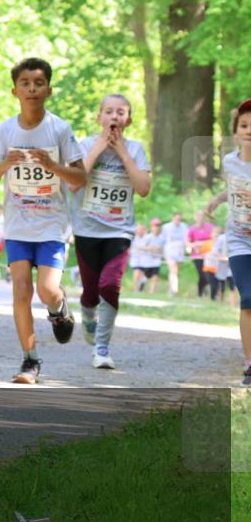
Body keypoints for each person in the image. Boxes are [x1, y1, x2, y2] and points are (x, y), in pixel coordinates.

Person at [0, 58, 86, 384]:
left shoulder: (59, 129)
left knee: (47, 289)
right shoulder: (5, 130)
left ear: (49, 90)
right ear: (14, 90)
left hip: (52, 225)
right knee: (21, 291)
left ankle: (59, 309)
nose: (32, 89)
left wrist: (52, 165)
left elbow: (80, 178)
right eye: (25, 83)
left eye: (38, 83)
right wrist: (4, 165)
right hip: (17, 225)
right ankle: (30, 360)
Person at [70, 94, 151, 369]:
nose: (114, 117)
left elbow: (143, 188)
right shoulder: (83, 145)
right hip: (87, 228)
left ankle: (102, 348)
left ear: (128, 120)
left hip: (119, 230)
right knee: (91, 291)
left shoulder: (136, 149)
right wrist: (99, 148)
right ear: (99, 117)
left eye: (121, 112)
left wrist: (123, 154)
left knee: (110, 286)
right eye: (109, 112)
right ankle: (87, 310)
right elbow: (73, 183)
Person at [205, 98, 251, 385]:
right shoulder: (231, 161)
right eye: (244, 126)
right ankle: (250, 363)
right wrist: (215, 200)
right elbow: (232, 187)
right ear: (236, 132)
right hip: (239, 239)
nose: (249, 131)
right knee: (247, 299)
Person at [187, 210, 215, 298]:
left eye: (202, 216)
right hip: (197, 256)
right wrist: (194, 245)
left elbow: (216, 238)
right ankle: (200, 294)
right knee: (201, 274)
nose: (200, 218)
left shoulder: (210, 227)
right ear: (195, 217)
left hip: (209, 255)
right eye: (198, 216)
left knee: (208, 274)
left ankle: (207, 291)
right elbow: (187, 242)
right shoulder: (192, 229)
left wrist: (204, 243)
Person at [162, 212, 188, 296]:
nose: (178, 221)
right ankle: (174, 289)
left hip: (180, 251)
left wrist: (188, 248)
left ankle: (171, 288)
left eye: (179, 219)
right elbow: (163, 240)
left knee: (175, 271)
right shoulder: (166, 227)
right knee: (173, 270)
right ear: (173, 218)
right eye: (176, 219)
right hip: (170, 251)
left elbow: (186, 239)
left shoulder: (184, 226)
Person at [129, 223, 148, 292]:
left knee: (143, 276)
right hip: (135, 259)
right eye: (138, 229)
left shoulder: (147, 237)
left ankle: (141, 288)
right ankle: (136, 290)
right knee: (136, 273)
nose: (139, 231)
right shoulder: (133, 238)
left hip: (145, 259)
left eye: (141, 229)